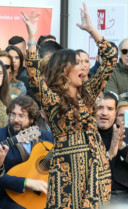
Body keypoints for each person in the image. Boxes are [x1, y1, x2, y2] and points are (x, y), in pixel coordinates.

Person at [22, 4, 118, 207]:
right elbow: (33, 74)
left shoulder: (89, 92)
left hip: (96, 168)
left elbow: (110, 58)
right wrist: (31, 37)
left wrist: (92, 30)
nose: (84, 66)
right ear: (64, 69)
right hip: (68, 173)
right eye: (78, 62)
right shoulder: (52, 99)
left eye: (84, 62)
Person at [0, 96, 54, 209]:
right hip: (9, 195)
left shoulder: (46, 137)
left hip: (42, 194)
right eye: (13, 114)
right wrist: (25, 182)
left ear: (32, 119)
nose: (16, 119)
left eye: (21, 116)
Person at [96, 92, 128, 204]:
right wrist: (109, 154)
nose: (104, 113)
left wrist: (122, 147)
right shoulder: (84, 136)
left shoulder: (125, 132)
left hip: (123, 193)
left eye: (110, 109)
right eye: (99, 108)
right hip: (94, 195)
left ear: (115, 113)